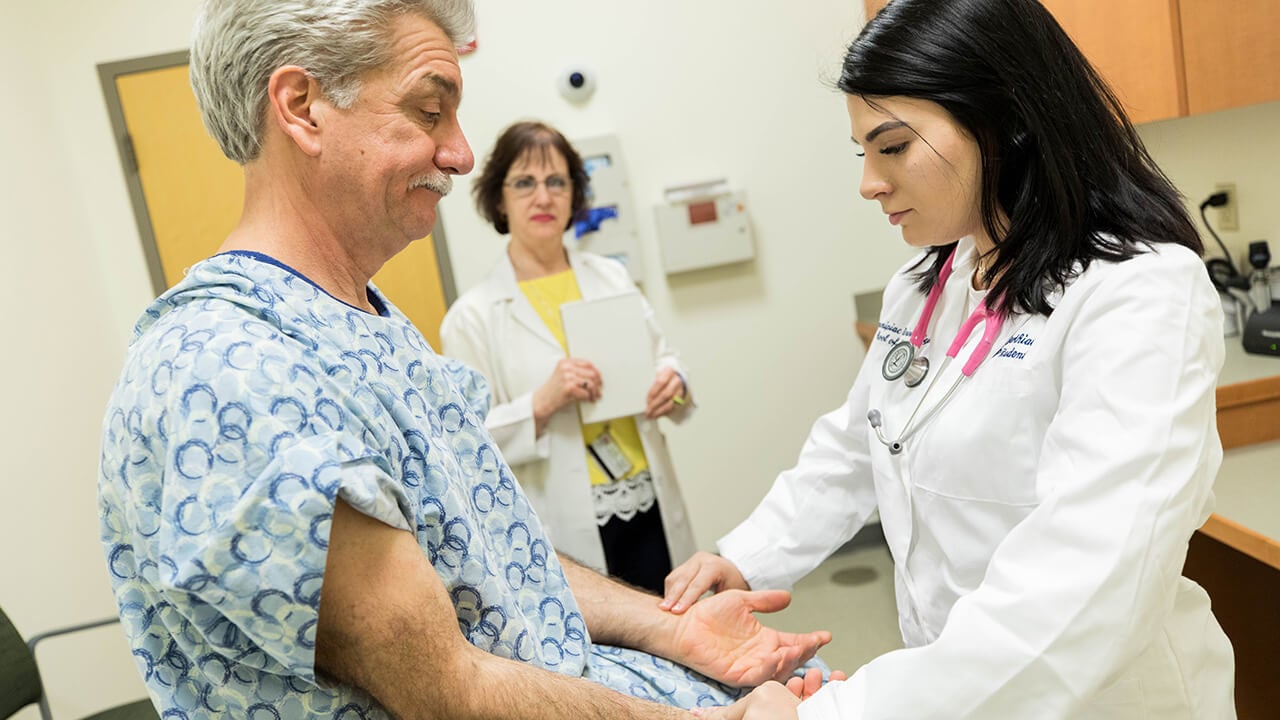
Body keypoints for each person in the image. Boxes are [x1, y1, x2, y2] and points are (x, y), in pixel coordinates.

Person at [97, 2, 834, 718]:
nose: (459, 151)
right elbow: (447, 693)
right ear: (301, 106)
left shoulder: (365, 323)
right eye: (428, 110)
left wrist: (671, 629)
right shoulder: (232, 373)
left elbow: (492, 562)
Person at [669, 0, 1237, 718]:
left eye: (893, 146)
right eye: (864, 153)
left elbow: (1088, 581)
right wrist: (745, 561)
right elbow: (855, 447)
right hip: (957, 689)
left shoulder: (1139, 293)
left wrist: (836, 714)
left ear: (1004, 120)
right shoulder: (928, 284)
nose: (869, 182)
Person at [441, 121, 694, 594]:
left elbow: (667, 360)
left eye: (557, 182)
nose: (543, 197)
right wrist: (540, 403)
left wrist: (673, 384)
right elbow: (466, 444)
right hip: (560, 521)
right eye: (525, 183)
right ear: (499, 198)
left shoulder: (611, 278)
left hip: (648, 499)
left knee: (679, 623)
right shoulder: (471, 317)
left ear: (575, 195)